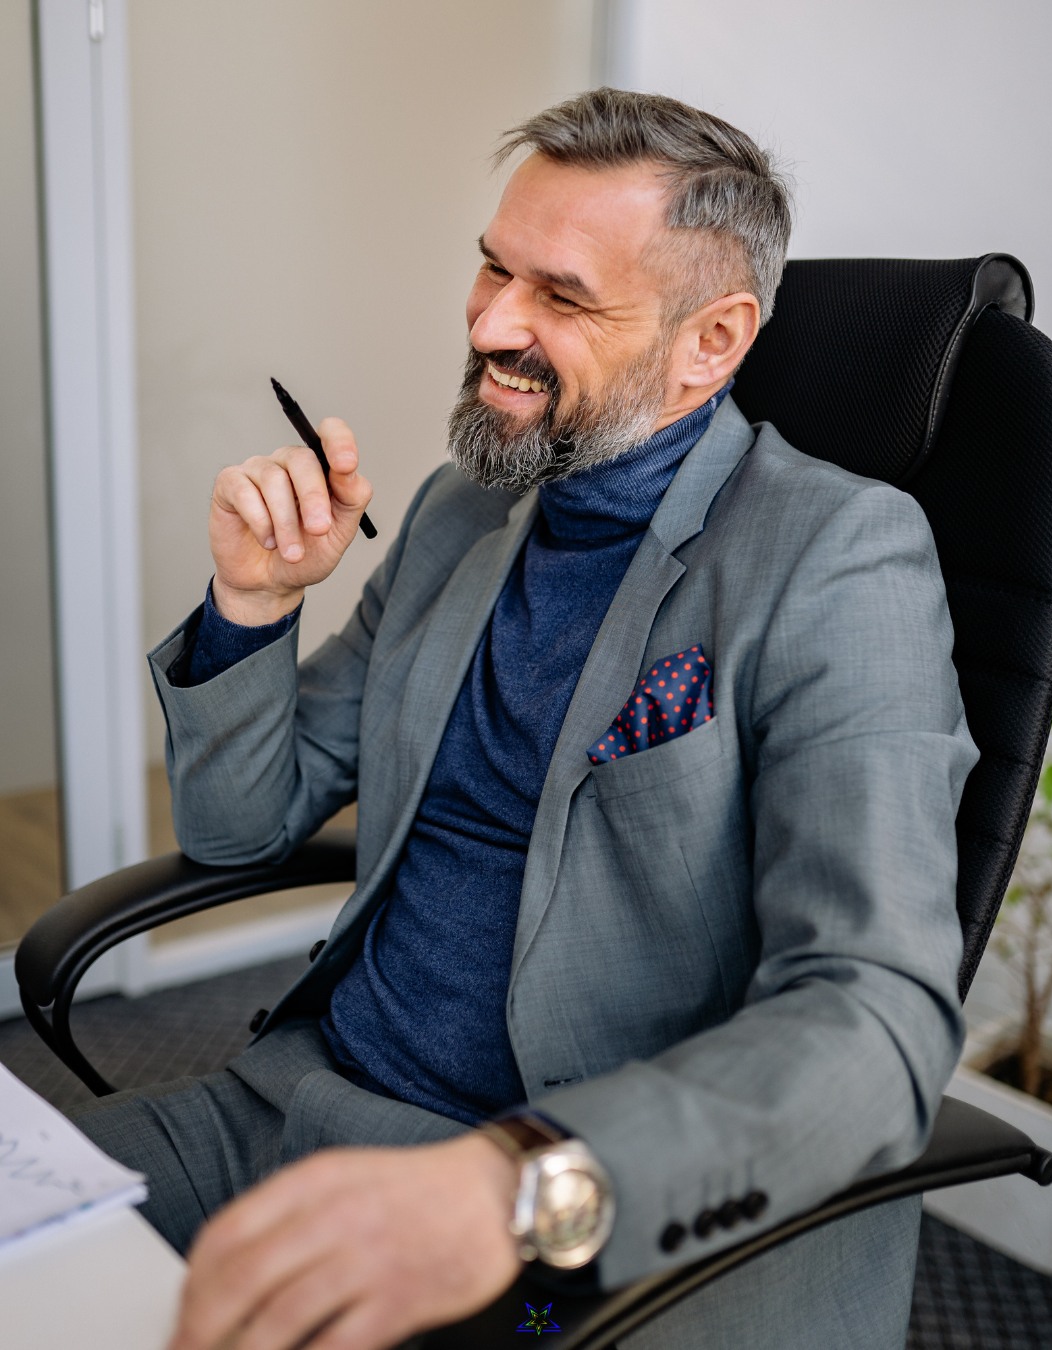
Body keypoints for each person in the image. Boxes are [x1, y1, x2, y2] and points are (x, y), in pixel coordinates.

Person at [77, 88, 977, 1350]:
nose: (493, 320)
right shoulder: (460, 511)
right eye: (493, 267)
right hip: (296, 1111)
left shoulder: (837, 558)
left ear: (710, 341)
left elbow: (875, 1021)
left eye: (560, 296)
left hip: (568, 1221)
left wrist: (520, 1182)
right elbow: (241, 830)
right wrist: (253, 606)